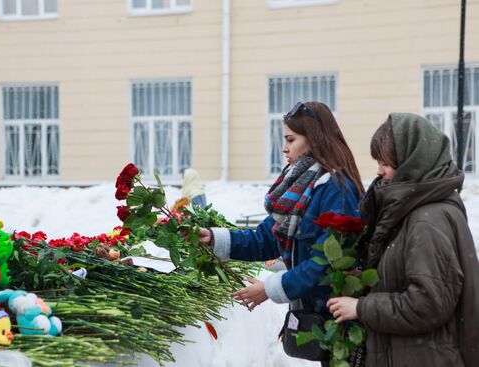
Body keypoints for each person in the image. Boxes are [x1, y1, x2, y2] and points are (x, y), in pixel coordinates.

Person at [197, 101, 364, 365]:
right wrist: (213, 238)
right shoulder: (300, 185)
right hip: (319, 316)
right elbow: (266, 238)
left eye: (291, 139)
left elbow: (327, 262)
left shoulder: (336, 190)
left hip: (341, 321)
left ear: (314, 139)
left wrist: (271, 289)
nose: (284, 148)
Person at [327, 113, 479, 367]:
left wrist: (362, 308)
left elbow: (428, 303)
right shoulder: (415, 209)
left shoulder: (427, 219)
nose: (379, 171)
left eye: (386, 162)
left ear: (412, 163)